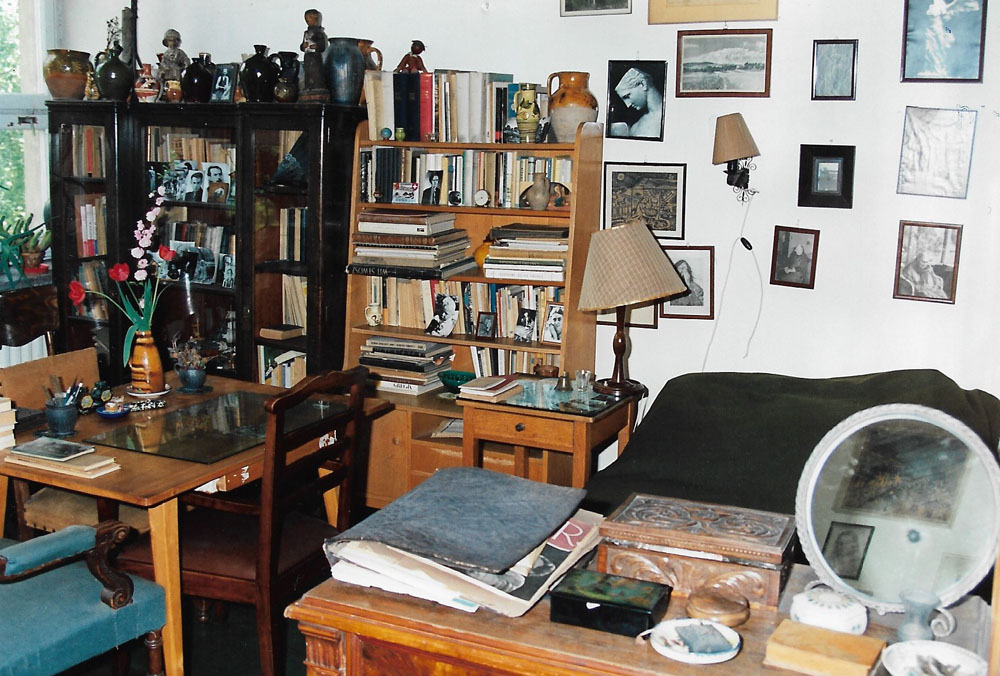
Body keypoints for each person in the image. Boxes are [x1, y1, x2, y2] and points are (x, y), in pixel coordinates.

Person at [611, 67, 662, 138]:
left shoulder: (672, 115)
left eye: (627, 96)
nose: (628, 105)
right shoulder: (635, 128)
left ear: (643, 84)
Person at [300, 9, 329, 97]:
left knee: (316, 71)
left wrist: (317, 46)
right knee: (307, 71)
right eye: (306, 19)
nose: (307, 20)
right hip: (307, 56)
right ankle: (308, 86)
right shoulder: (306, 33)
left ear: (315, 19)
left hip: (315, 56)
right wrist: (303, 46)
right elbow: (302, 46)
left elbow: (322, 46)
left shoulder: (319, 33)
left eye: (309, 18)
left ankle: (317, 86)